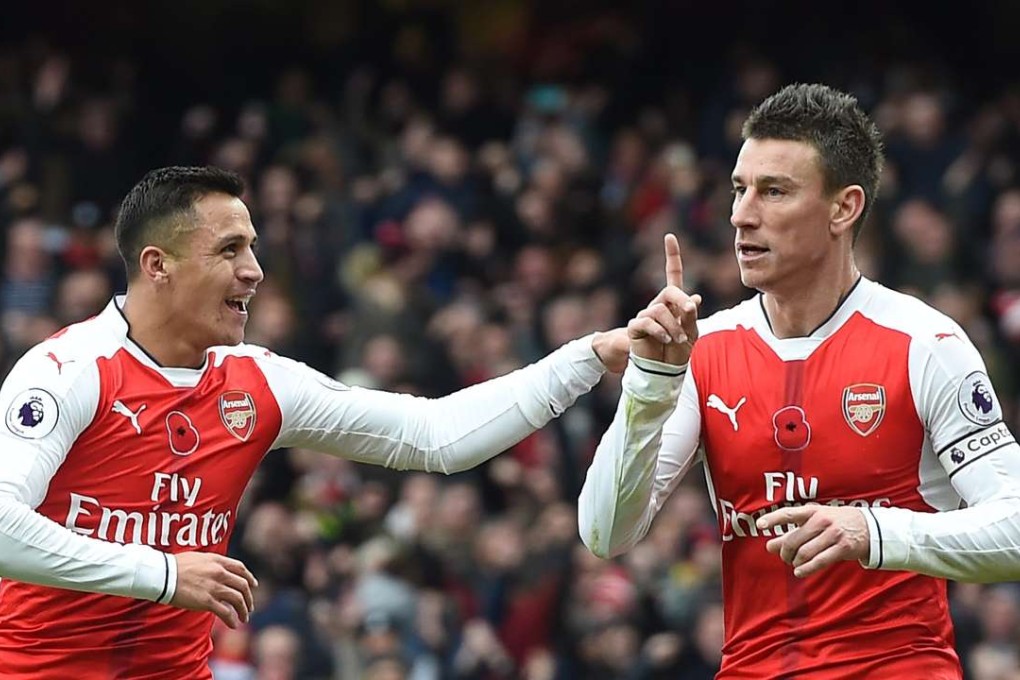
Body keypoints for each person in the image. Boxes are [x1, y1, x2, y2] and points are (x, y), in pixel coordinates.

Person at [0, 166, 629, 679]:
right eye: (229, 250)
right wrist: (163, 574)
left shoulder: (259, 383)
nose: (254, 270)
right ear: (157, 265)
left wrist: (589, 356)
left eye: (252, 248)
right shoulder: (68, 372)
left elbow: (437, 436)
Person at [578, 83, 1020, 679]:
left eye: (774, 191)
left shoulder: (925, 345)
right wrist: (650, 383)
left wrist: (874, 531)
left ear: (843, 208)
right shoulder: (704, 350)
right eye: (739, 189)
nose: (741, 214)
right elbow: (606, 532)